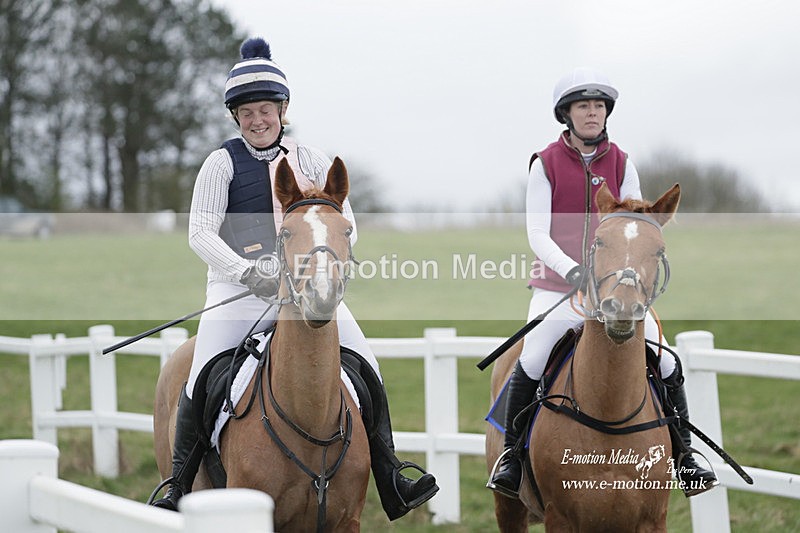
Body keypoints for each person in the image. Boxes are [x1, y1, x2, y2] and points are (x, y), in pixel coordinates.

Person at [151, 37, 438, 520]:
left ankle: (390, 473)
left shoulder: (312, 159)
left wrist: (322, 272)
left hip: (308, 290)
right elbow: (199, 233)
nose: (257, 120)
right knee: (200, 378)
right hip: (238, 293)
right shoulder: (220, 164)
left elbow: (345, 222)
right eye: (247, 113)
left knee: (369, 370)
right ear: (235, 117)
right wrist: (245, 271)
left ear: (283, 109)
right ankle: (178, 482)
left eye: (266, 109)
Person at [487, 67, 718, 499]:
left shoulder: (622, 162)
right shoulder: (545, 164)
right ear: (567, 115)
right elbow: (537, 233)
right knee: (534, 355)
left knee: (665, 361)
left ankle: (686, 457)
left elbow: (636, 218)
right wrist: (575, 272)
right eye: (583, 106)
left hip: (618, 288)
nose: (592, 113)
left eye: (598, 106)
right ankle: (513, 458)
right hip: (558, 288)